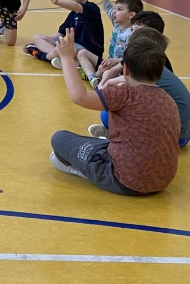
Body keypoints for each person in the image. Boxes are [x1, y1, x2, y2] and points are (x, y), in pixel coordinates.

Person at [49, 28, 180, 195]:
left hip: (126, 181)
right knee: (102, 143)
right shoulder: (167, 98)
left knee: (60, 138)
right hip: (163, 180)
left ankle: (86, 171)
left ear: (125, 69)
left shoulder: (125, 93)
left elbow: (79, 97)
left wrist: (66, 57)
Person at [90, 25, 190, 148]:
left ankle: (120, 135)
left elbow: (118, 84)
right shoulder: (152, 64)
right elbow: (113, 75)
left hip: (175, 137)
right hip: (181, 134)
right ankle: (118, 133)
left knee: (108, 112)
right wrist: (105, 83)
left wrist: (103, 87)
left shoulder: (147, 70)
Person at [24, 0, 104, 75]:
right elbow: (59, 34)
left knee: (62, 49)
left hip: (88, 51)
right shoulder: (73, 14)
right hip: (73, 48)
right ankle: (69, 61)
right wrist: (39, 42)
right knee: (38, 38)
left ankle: (43, 56)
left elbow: (76, 6)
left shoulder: (92, 8)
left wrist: (58, 2)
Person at [86, 0, 143, 86]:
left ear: (131, 15)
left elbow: (129, 58)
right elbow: (107, 7)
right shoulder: (117, 24)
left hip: (120, 66)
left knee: (105, 72)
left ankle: (94, 77)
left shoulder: (132, 34)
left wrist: (115, 62)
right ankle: (92, 77)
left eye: (119, 9)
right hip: (109, 61)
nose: (114, 12)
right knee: (82, 53)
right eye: (115, 8)